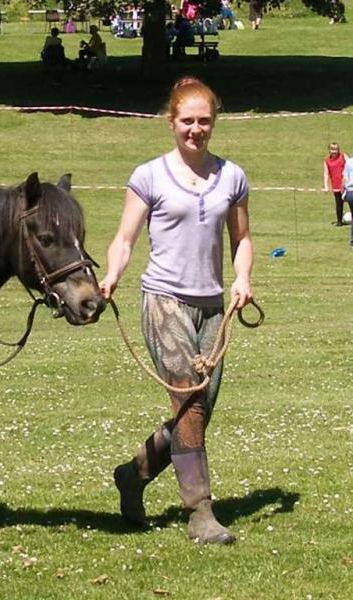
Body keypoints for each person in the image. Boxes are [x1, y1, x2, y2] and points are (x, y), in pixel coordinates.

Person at [100, 77, 254, 545]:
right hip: (163, 299)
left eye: (204, 121)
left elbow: (241, 239)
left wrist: (242, 278)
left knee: (197, 410)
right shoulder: (148, 176)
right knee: (188, 402)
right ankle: (200, 512)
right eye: (187, 121)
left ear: (214, 123)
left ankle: (134, 473)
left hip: (212, 308)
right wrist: (112, 275)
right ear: (171, 122)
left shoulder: (233, 176)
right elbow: (125, 238)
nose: (196, 129)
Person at [323, 142, 347, 226]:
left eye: (336, 149)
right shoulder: (326, 160)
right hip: (336, 186)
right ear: (329, 150)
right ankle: (339, 221)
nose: (334, 151)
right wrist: (326, 186)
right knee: (339, 204)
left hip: (347, 185)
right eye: (332, 149)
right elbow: (326, 174)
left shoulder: (343, 156)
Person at [343, 154, 353, 247]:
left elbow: (344, 178)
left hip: (349, 192)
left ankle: (352, 242)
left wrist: (344, 193)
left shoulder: (348, 162)